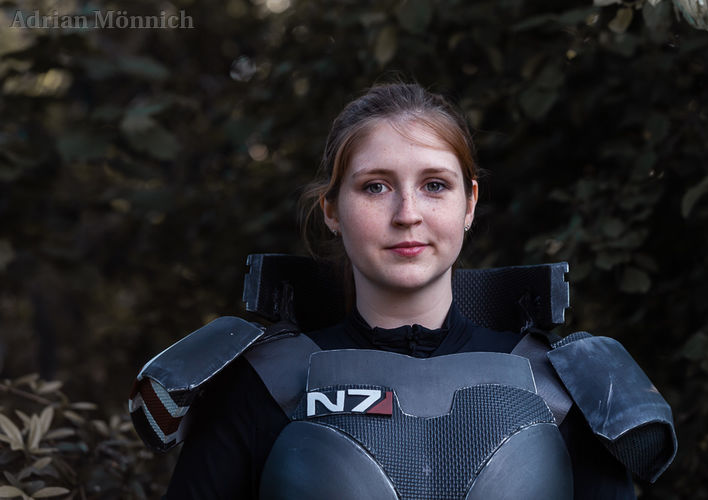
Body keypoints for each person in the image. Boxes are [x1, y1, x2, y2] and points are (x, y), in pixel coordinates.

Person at [130, 82, 675, 499]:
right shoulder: (259, 384)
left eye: (434, 185)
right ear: (332, 210)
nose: (407, 214)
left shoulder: (562, 388)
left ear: (469, 204)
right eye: (376, 187)